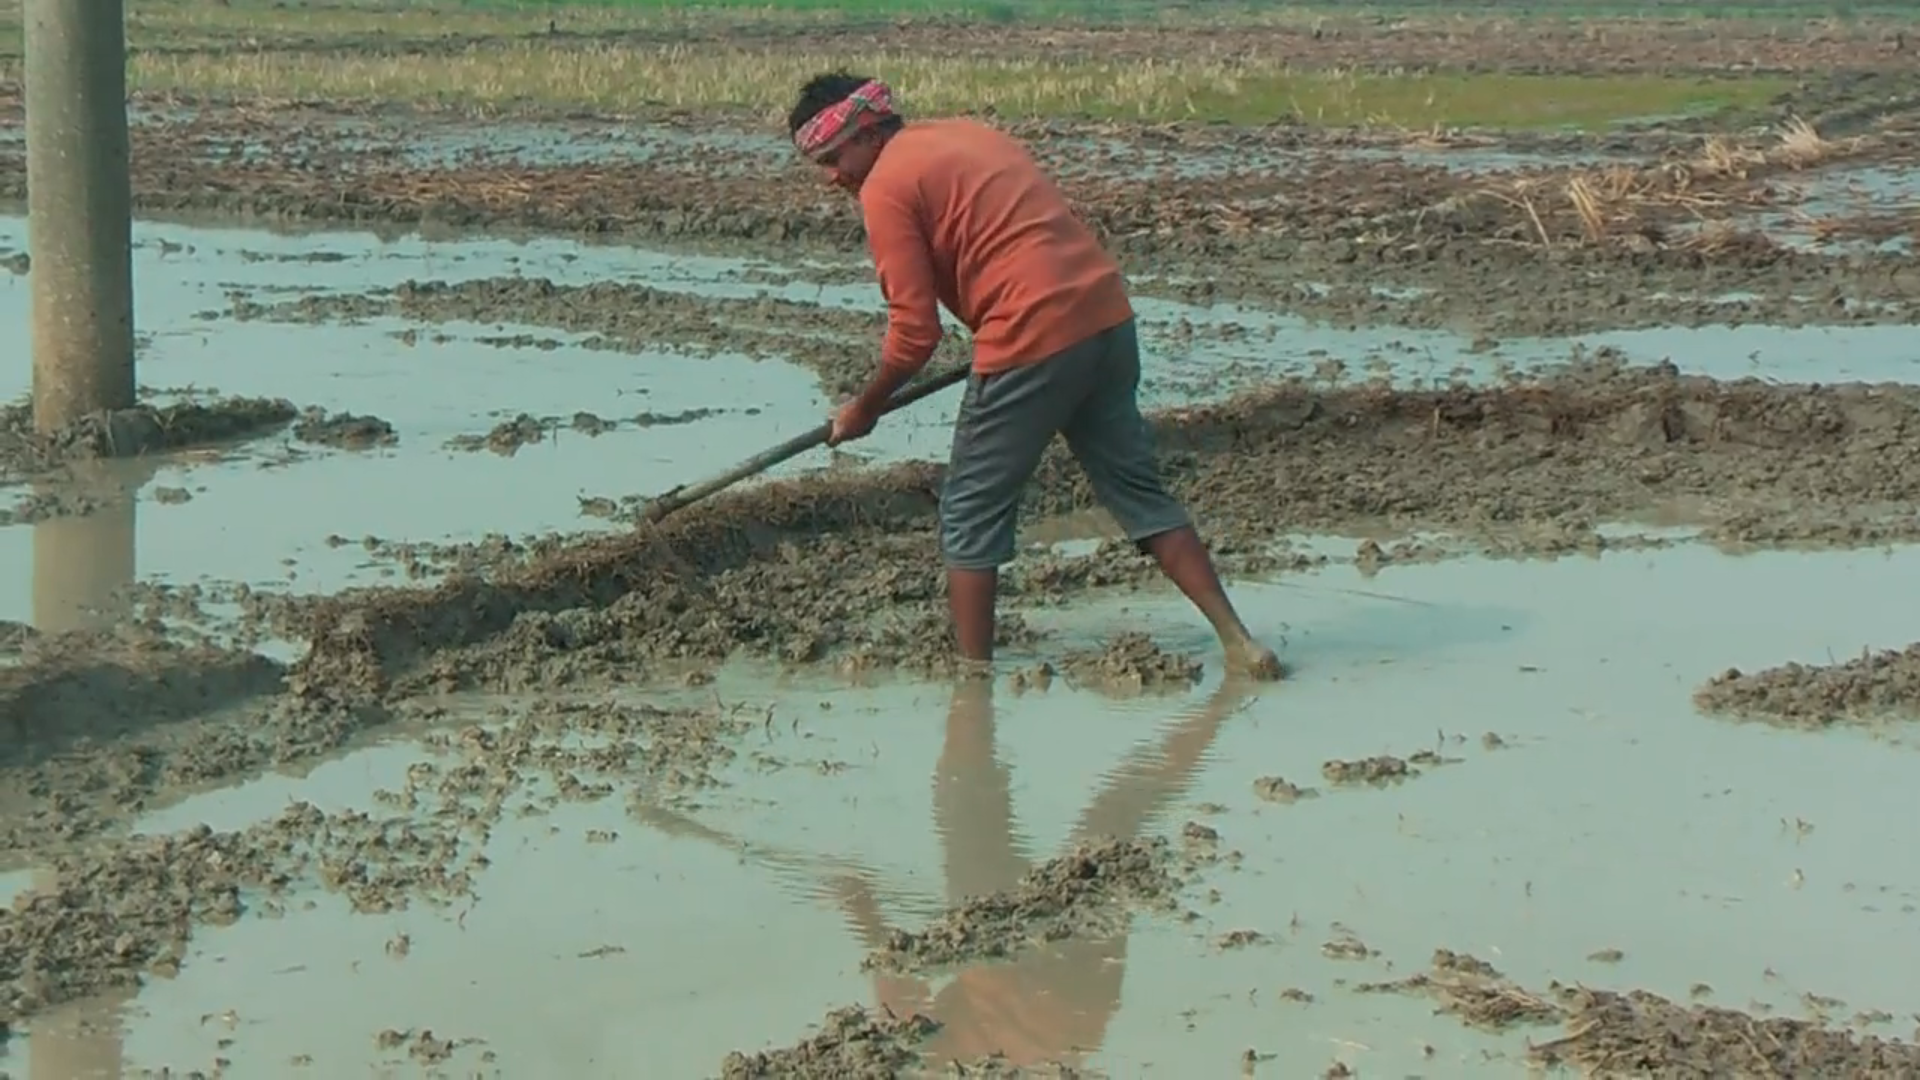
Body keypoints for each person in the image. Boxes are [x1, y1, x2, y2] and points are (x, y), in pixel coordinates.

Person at [786, 72, 1283, 680]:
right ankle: (1239, 641)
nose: (832, 176)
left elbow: (915, 332)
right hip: (1103, 317)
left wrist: (865, 407)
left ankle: (974, 685)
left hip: (1031, 336)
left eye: (835, 158)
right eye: (820, 164)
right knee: (1139, 492)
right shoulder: (966, 135)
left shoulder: (885, 187)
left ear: (868, 130)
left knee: (969, 512)